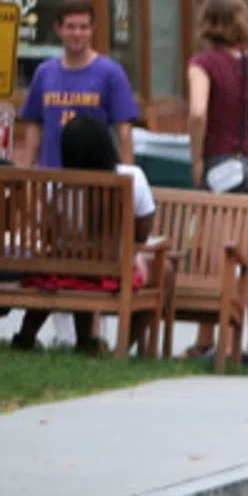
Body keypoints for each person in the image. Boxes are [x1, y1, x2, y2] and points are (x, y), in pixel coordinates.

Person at [7, 113, 161, 353]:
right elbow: (142, 234)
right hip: (112, 273)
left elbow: (48, 235)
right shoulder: (133, 178)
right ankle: (121, 347)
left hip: (64, 270)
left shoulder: (55, 182)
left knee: (65, 266)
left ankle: (28, 334)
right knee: (162, 272)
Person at [185, 0, 248, 364]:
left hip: (221, 165)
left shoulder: (202, 64)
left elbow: (197, 112)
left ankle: (222, 346)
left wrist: (197, 158)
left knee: (217, 256)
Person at [16, 0, 139, 169]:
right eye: (71, 27)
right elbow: (34, 127)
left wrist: (128, 178)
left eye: (83, 27)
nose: (77, 33)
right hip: (51, 177)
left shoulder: (111, 73)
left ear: (92, 29)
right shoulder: (44, 73)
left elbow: (124, 132)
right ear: (58, 29)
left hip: (96, 180)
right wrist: (26, 173)